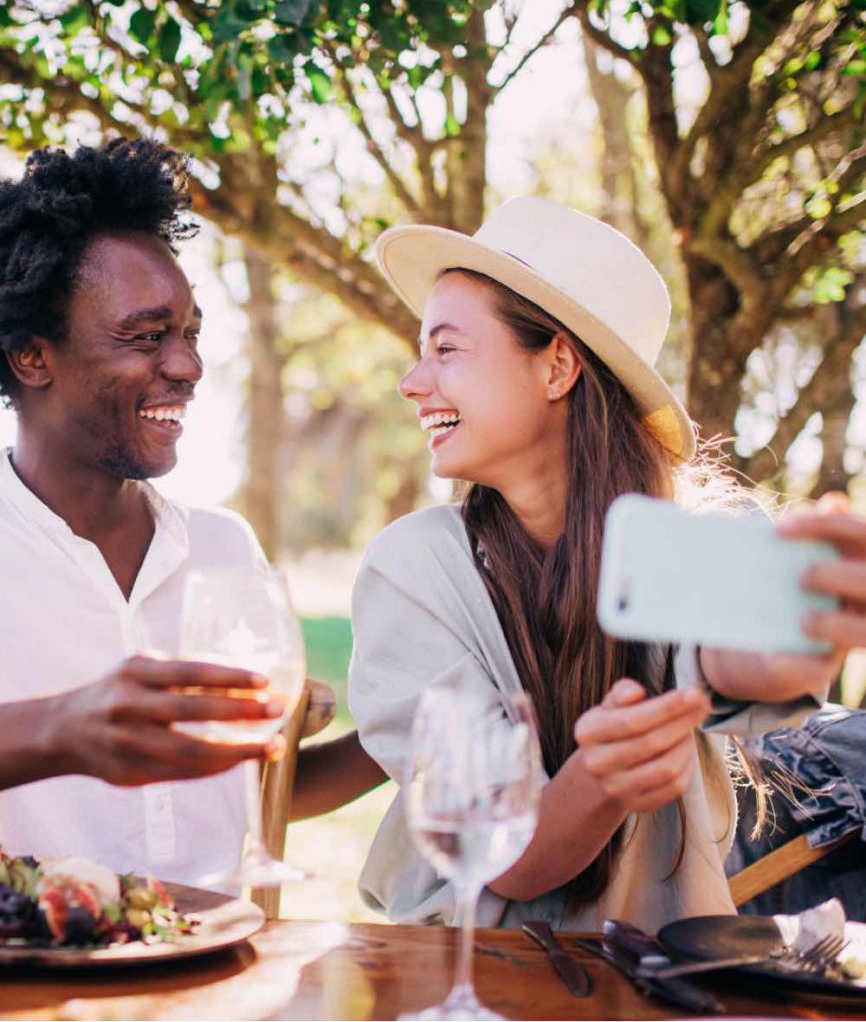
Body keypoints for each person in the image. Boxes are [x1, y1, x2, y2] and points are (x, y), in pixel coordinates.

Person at [349, 195, 866, 933]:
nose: (411, 381)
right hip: (464, 979)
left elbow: (731, 662)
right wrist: (603, 776)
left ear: (557, 365)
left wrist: (794, 627)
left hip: (651, 985)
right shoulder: (414, 568)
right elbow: (508, 858)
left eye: (445, 349)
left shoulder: (694, 534)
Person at [0, 138, 381, 884]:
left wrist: (407, 736)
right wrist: (59, 730)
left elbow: (246, 798)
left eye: (191, 334)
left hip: (221, 979)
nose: (188, 366)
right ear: (32, 357)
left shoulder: (224, 550)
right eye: (146, 337)